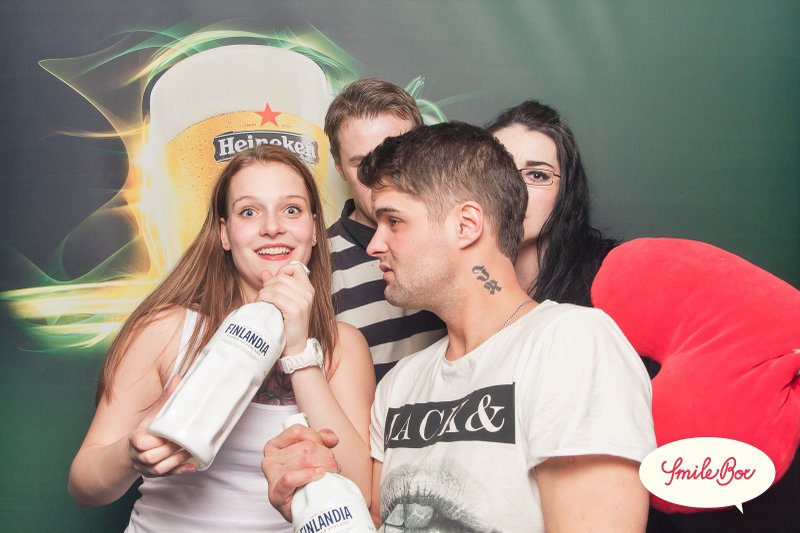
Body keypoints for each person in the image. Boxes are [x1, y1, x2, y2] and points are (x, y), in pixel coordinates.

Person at [263, 123, 656, 531]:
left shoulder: (571, 343)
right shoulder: (401, 384)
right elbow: (374, 521)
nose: (375, 245)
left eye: (394, 221)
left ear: (466, 225)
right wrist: (316, 495)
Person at [67, 145, 375, 531]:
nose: (272, 227)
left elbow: (360, 494)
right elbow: (84, 486)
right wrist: (131, 453)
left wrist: (298, 351)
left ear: (314, 230)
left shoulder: (341, 346)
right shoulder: (166, 330)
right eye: (249, 212)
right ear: (225, 233)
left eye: (291, 210)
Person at [324, 78, 445, 382]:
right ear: (339, 167)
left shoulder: (456, 238)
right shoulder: (317, 265)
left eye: (393, 155)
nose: (379, 175)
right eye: (361, 163)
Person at [487, 100, 617, 307]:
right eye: (499, 171)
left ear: (566, 190)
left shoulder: (609, 278)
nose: (514, 190)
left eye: (537, 175)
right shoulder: (454, 283)